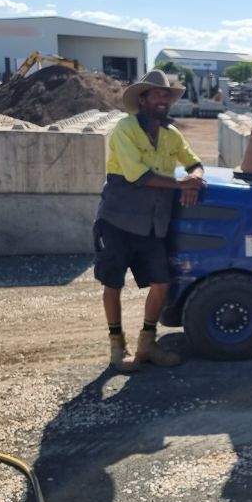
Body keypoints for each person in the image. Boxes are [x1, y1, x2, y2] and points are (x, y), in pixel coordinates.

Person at [94, 69, 207, 372]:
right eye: (156, 94)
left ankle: (147, 342)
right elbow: (138, 175)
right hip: (118, 220)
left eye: (166, 95)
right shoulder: (125, 129)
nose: (162, 100)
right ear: (142, 99)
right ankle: (117, 346)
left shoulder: (171, 135)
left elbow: (194, 162)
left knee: (161, 283)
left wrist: (194, 178)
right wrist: (181, 186)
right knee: (113, 282)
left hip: (153, 224)